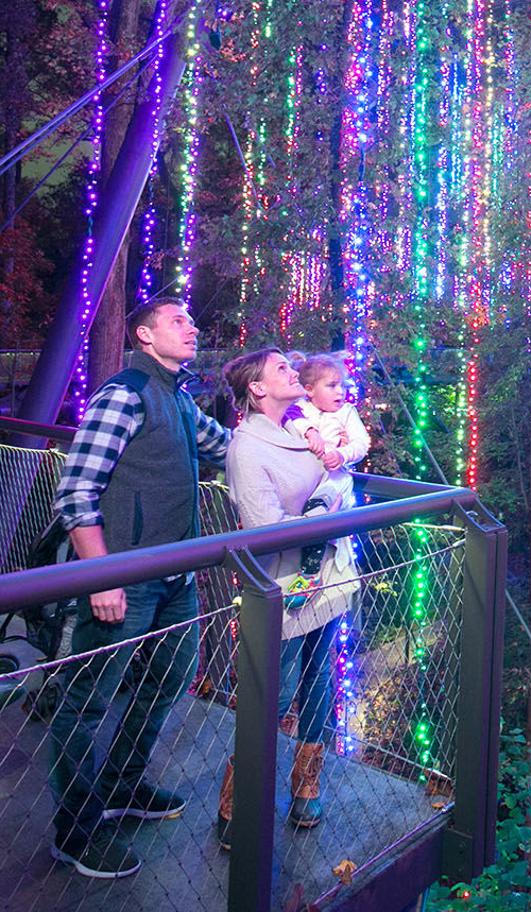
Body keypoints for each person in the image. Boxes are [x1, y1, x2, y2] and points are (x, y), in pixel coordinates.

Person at [48, 297, 231, 880]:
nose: (192, 327)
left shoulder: (178, 398)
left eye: (192, 320)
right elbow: (76, 491)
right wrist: (101, 575)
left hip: (176, 576)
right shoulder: (125, 393)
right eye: (178, 321)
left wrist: (312, 436)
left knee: (166, 681)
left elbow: (230, 448)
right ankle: (75, 833)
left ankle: (122, 786)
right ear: (145, 337)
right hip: (124, 578)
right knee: (86, 701)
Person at [218, 348, 358, 846]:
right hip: (285, 587)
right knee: (275, 692)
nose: (293, 372)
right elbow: (266, 529)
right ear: (257, 389)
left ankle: (306, 782)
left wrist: (330, 495)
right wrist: (323, 511)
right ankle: (239, 799)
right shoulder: (247, 448)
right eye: (281, 368)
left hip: (328, 576)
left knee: (320, 680)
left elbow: (337, 475)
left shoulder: (300, 429)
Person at [281, 353, 370, 605]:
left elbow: (362, 443)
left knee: (317, 511)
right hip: (305, 479)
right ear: (309, 390)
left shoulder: (346, 413)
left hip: (334, 480)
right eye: (331, 386)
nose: (340, 391)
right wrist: (310, 431)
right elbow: (289, 415)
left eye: (341, 385)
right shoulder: (300, 409)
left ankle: (310, 575)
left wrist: (341, 455)